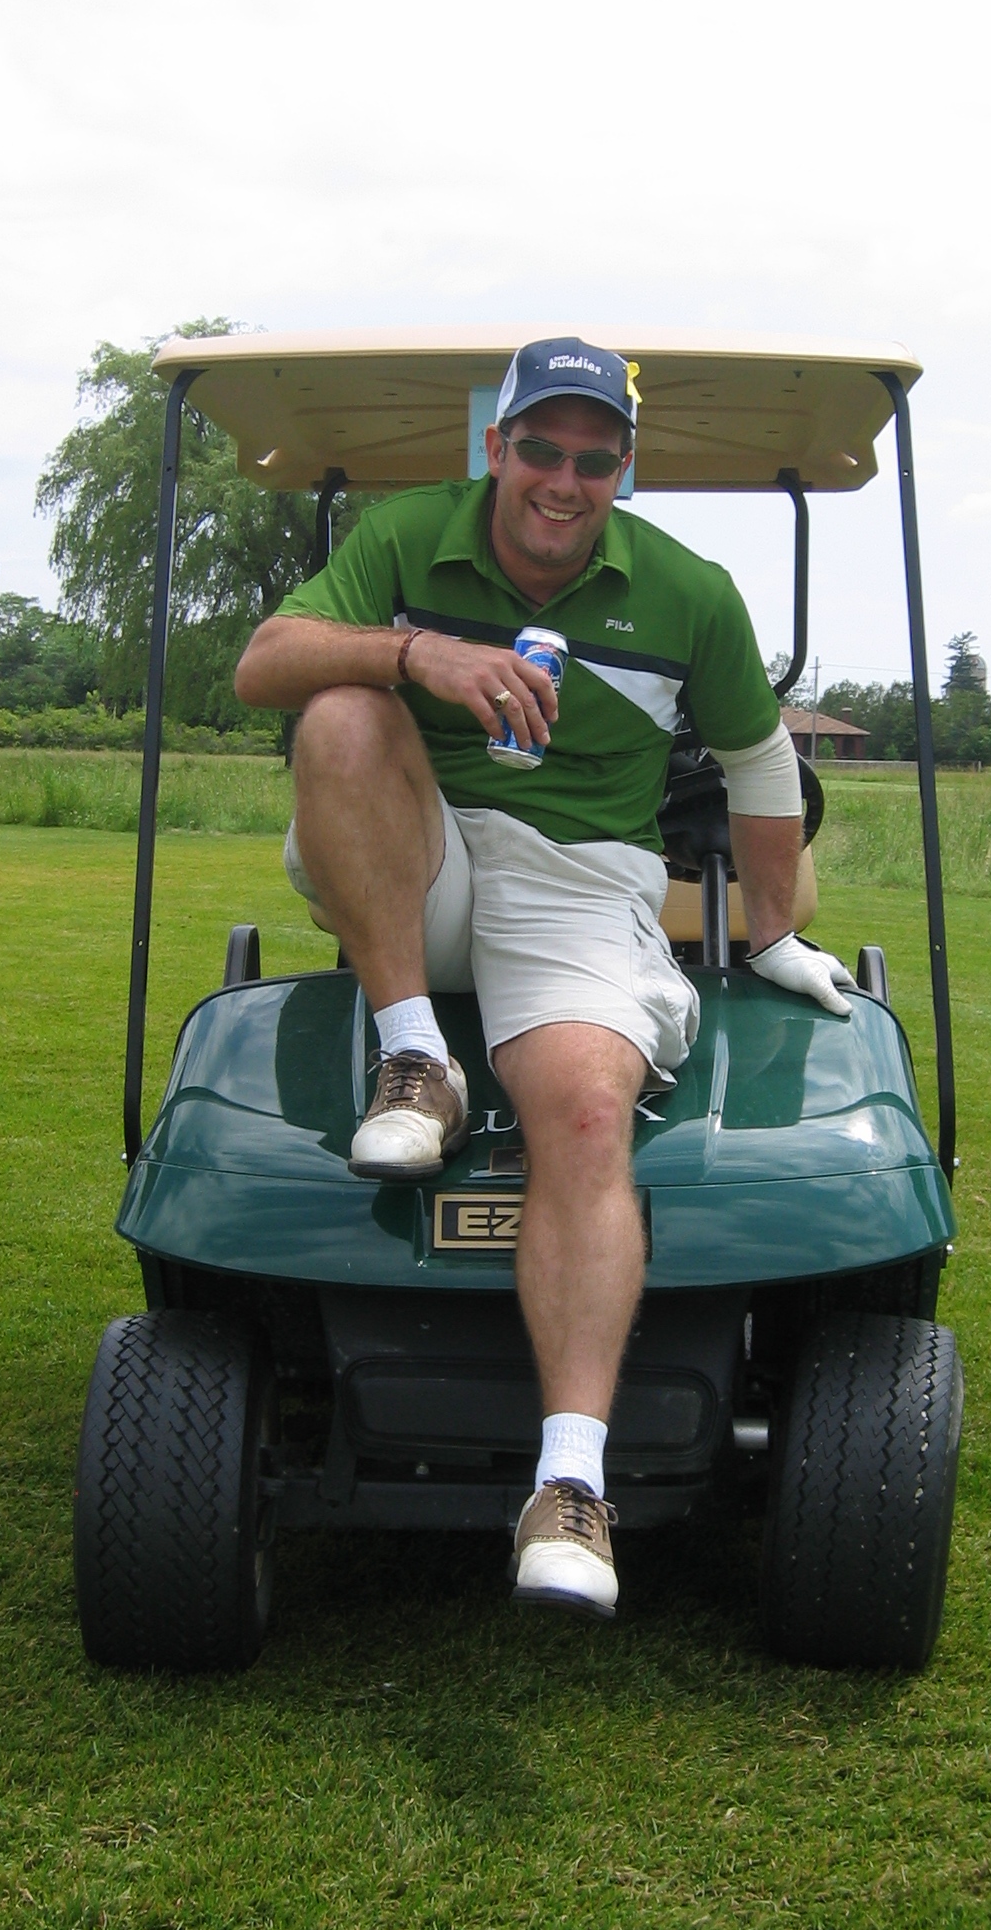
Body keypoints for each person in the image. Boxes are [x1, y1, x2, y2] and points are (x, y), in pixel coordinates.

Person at [233, 336, 855, 1619]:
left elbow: (756, 762)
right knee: (341, 708)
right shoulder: (409, 537)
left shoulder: (688, 592)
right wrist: (415, 655)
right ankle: (417, 1056)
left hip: (579, 881)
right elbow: (263, 664)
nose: (563, 480)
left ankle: (569, 1486)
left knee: (584, 1107)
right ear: (495, 446)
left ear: (624, 468)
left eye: (594, 458)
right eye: (539, 449)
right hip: (422, 856)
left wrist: (772, 934)